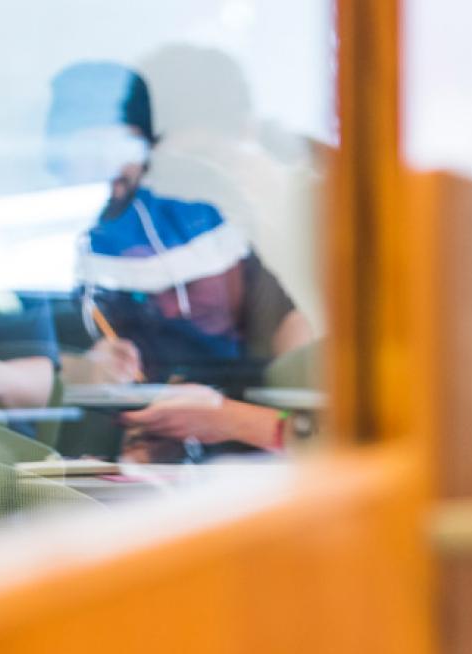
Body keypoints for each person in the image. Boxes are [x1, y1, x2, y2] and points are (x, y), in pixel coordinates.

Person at [44, 61, 315, 459]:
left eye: (119, 148)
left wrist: (281, 411)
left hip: (239, 436)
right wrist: (89, 368)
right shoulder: (88, 241)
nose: (109, 171)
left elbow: (285, 323)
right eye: (85, 154)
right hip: (145, 438)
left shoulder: (201, 217)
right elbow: (60, 358)